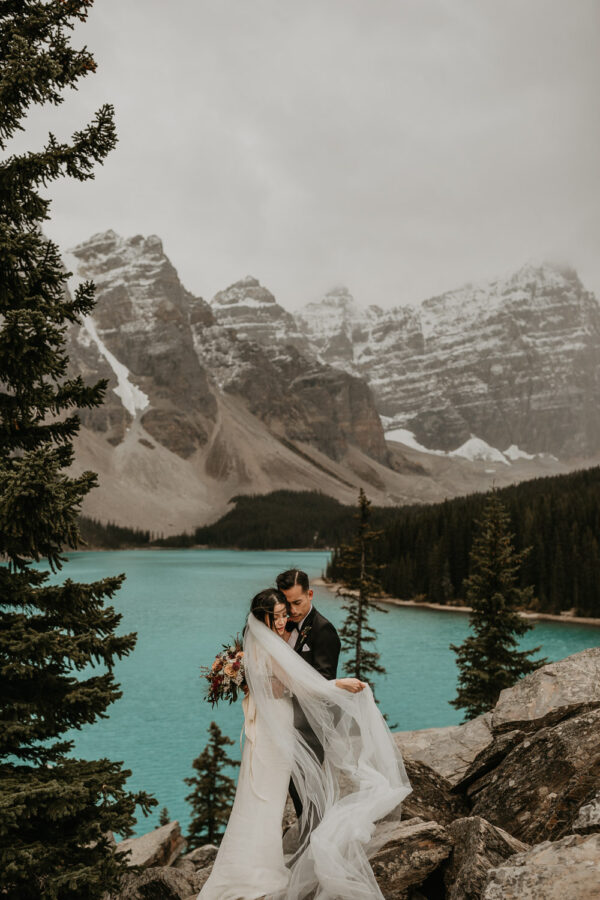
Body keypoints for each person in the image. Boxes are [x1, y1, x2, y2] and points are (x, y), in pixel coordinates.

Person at [198, 587, 412, 900]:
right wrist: (339, 684)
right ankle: (256, 872)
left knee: (258, 798)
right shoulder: (269, 646)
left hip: (269, 727)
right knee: (266, 800)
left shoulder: (255, 641)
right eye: (279, 615)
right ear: (264, 618)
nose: (285, 620)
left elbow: (273, 685)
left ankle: (250, 865)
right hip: (274, 730)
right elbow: (300, 684)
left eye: (286, 614)